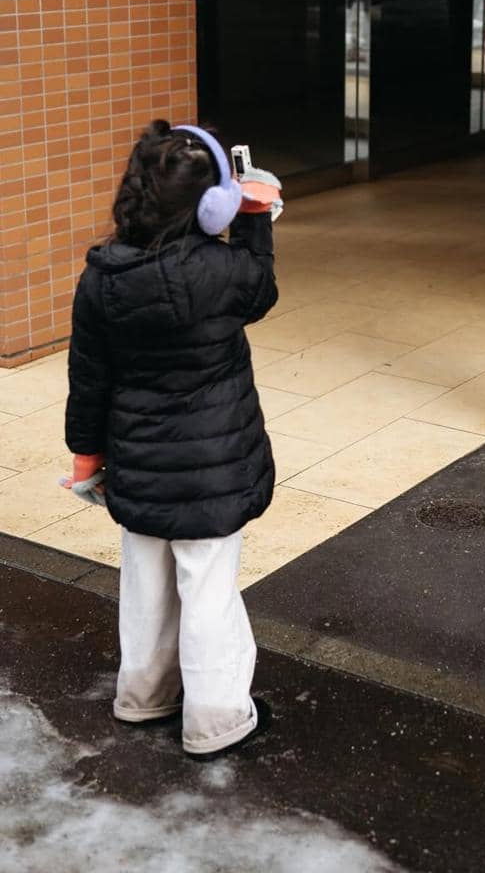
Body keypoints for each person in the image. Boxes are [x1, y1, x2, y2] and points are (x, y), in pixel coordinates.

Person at [63, 120, 281, 760]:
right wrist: (257, 214)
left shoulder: (101, 276)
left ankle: (143, 695)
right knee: (209, 590)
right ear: (213, 203)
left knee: (146, 584)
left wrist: (86, 458)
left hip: (135, 464)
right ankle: (215, 720)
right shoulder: (223, 269)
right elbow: (261, 287)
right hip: (212, 470)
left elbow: (88, 378)